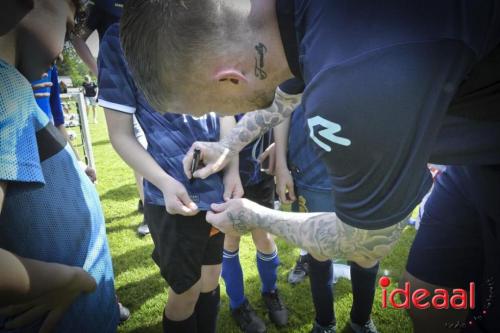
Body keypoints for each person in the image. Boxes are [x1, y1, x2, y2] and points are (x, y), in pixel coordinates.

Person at [121, 1, 500, 332]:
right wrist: (226, 144)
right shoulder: (286, 23)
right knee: (424, 296)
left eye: (212, 108)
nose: (222, 115)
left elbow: (367, 243)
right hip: (472, 160)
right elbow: (283, 100)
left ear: (231, 78)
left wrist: (256, 218)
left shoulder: (352, 81)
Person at [98, 22, 235, 333]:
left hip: (216, 195)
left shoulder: (210, 24)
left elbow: (226, 108)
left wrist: (231, 167)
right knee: (185, 292)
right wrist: (163, 181)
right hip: (172, 199)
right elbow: (120, 134)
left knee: (211, 277)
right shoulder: (121, 38)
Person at [0, 0, 119, 332]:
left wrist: (70, 175)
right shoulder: (3, 89)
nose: (66, 52)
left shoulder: (13, 85)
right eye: (68, 28)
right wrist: (69, 280)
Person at [274, 100, 379, 333]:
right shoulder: (297, 63)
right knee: (318, 252)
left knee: (366, 249)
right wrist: (281, 165)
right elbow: (283, 106)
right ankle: (324, 323)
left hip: (366, 170)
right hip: (311, 170)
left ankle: (360, 321)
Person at [72, 0, 148, 232]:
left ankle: (147, 198)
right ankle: (149, 211)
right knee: (138, 142)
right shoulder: (103, 5)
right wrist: (99, 69)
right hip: (121, 88)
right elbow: (76, 37)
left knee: (153, 142)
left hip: (150, 82)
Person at [221, 117, 287, 333]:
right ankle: (238, 305)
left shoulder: (270, 85)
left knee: (265, 240)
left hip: (260, 174)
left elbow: (281, 111)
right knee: (230, 240)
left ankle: (270, 291)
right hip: (226, 173)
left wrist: (280, 151)